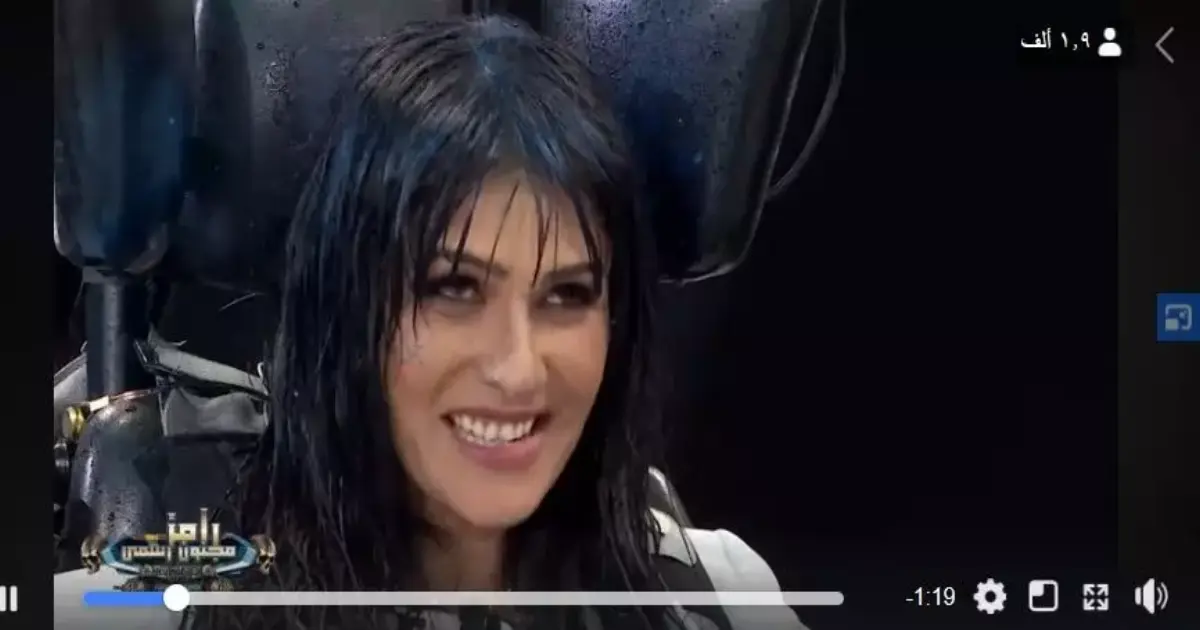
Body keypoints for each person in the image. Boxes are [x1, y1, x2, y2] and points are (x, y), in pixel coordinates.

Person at [53, 16, 807, 630]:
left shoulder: (721, 598)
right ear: (346, 314)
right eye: (454, 289)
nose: (518, 368)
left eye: (567, 295)